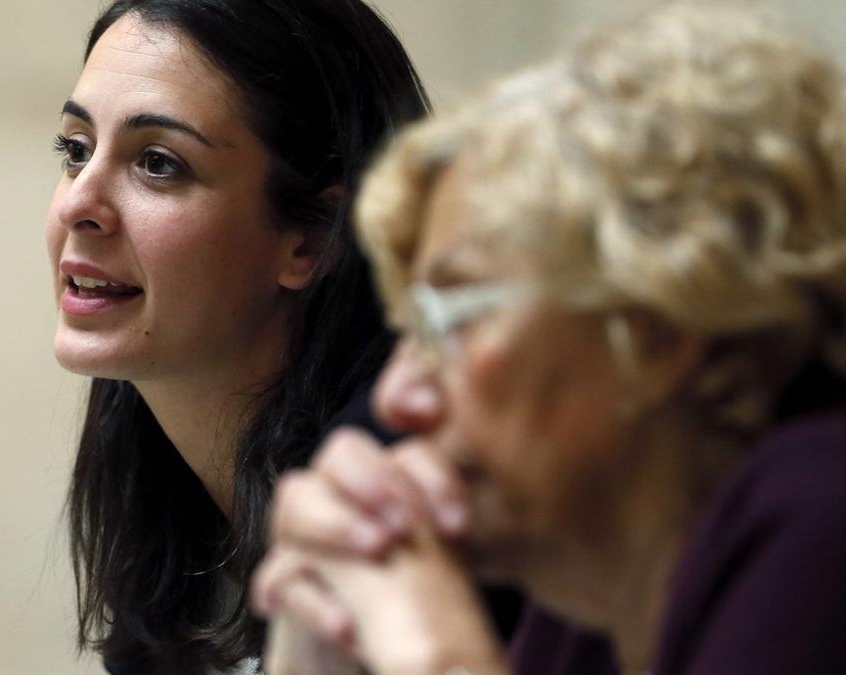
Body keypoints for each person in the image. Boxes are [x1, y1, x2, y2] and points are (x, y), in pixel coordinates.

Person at [252, 3, 846, 674]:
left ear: (657, 326)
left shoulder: (821, 514)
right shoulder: (585, 600)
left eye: (454, 321)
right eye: (411, 332)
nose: (395, 400)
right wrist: (321, 653)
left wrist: (433, 653)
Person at [45, 0, 435, 672]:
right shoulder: (170, 513)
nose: (79, 203)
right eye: (76, 150)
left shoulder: (389, 511)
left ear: (311, 237)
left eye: (158, 163)